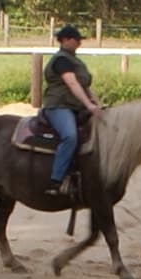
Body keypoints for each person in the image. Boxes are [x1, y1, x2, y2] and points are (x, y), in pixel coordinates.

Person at [36, 23, 99, 190]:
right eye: (75, 39)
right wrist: (88, 105)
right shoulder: (61, 60)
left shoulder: (75, 61)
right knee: (70, 136)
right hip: (59, 106)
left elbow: (84, 86)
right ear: (64, 40)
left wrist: (95, 104)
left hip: (76, 106)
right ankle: (56, 179)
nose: (79, 43)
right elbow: (72, 83)